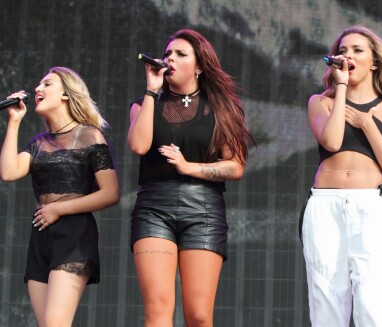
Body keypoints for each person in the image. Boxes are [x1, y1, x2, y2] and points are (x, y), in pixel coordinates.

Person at [127, 29, 252, 327]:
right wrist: (151, 90)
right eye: (168, 53)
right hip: (154, 208)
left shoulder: (222, 108)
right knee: (158, 308)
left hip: (204, 210)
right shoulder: (145, 104)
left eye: (180, 54)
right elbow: (139, 146)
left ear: (198, 66)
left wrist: (189, 167)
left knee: (198, 314)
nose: (170, 58)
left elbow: (235, 166)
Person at [301, 26, 382, 326]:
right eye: (343, 50)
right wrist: (341, 89)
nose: (348, 55)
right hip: (325, 203)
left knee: (371, 297)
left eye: (357, 50)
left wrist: (368, 124)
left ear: (374, 62)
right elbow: (333, 141)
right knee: (326, 296)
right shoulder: (320, 102)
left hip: (369, 205)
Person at [0, 66, 119, 326]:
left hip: (73, 235)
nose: (37, 90)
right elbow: (9, 172)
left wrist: (59, 209)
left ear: (66, 94)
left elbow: (110, 193)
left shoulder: (89, 135)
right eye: (39, 85)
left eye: (47, 84)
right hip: (40, 236)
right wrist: (14, 122)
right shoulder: (38, 143)